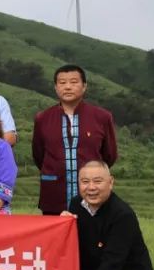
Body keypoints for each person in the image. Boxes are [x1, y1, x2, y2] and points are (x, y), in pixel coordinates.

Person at [33, 64, 118, 214]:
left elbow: (109, 155)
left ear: (84, 86)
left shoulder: (102, 117)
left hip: (92, 193)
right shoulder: (43, 118)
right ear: (56, 87)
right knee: (56, 229)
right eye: (62, 83)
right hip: (54, 193)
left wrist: (93, 173)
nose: (67, 87)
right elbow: (39, 155)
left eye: (73, 82)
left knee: (92, 228)